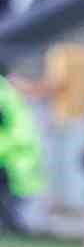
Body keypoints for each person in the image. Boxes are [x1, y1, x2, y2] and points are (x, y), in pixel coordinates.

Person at [0, 62, 43, 234]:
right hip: (10, 149)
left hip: (12, 150)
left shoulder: (7, 91)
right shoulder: (5, 90)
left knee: (10, 190)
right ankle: (11, 222)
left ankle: (11, 222)